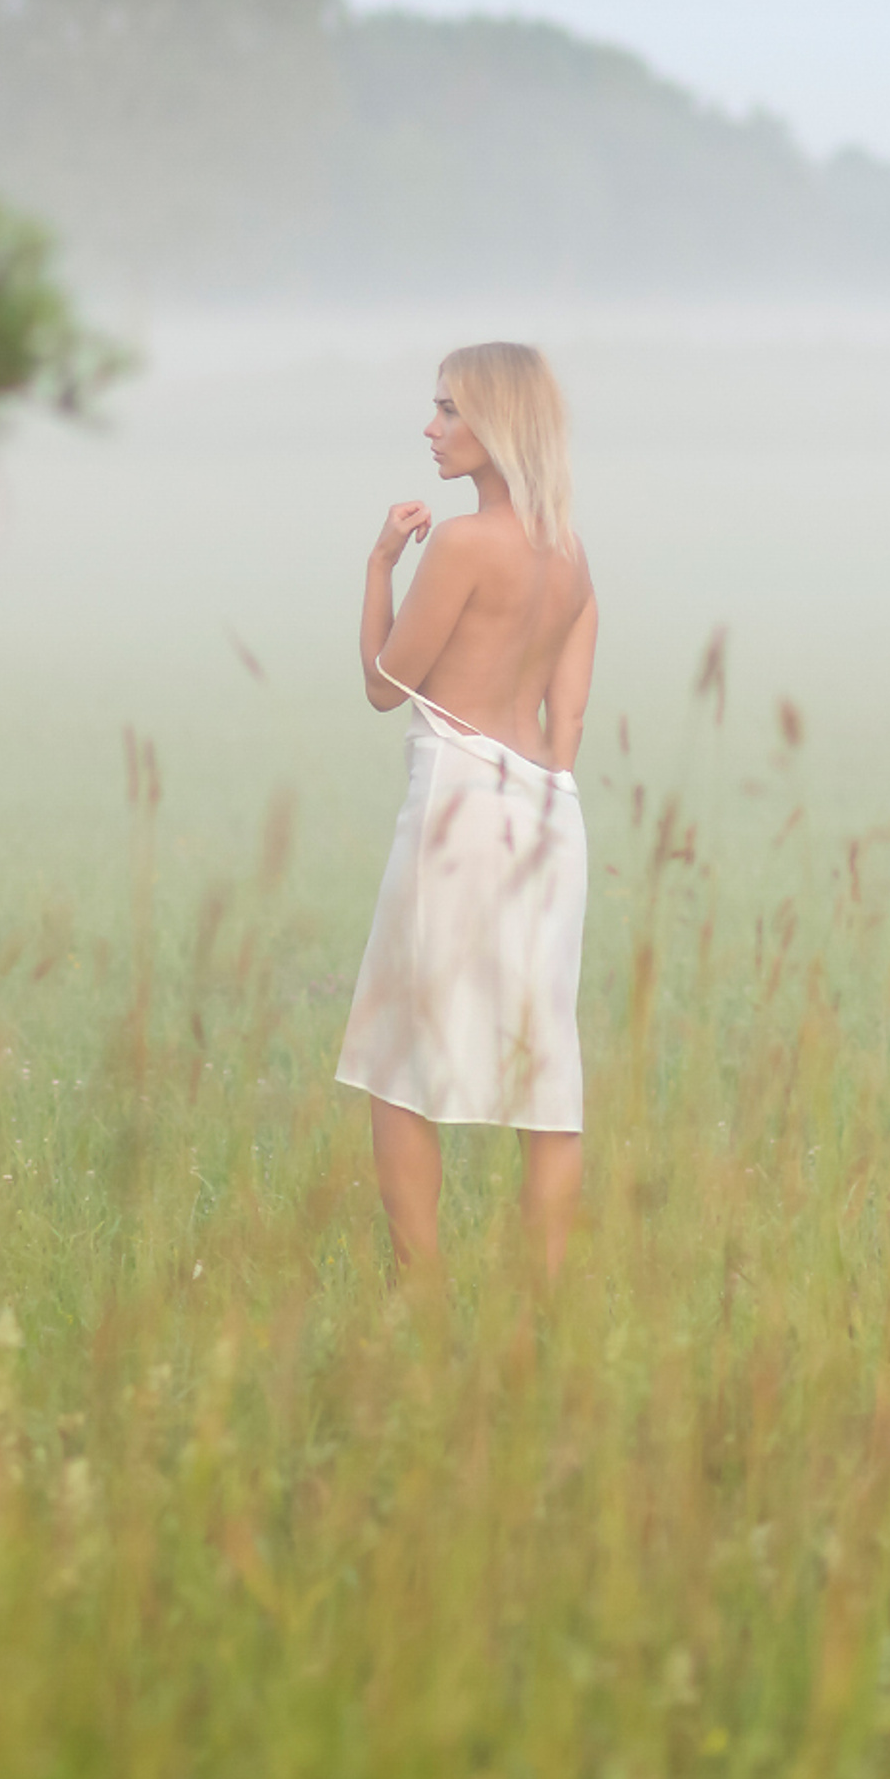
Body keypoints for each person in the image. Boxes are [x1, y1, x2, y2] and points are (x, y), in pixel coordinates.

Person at [337, 342, 597, 1279]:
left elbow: (384, 685)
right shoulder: (569, 555)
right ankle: (548, 1303)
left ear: (499, 425)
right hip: (548, 814)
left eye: (449, 410)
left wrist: (378, 567)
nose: (431, 428)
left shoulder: (459, 543)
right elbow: (566, 720)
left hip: (456, 801)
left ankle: (426, 1301)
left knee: (396, 1057)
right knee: (545, 1069)